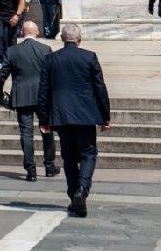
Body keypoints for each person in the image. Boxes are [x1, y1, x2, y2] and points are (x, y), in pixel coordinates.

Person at [38, 22, 111, 218]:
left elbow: (43, 92)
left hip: (61, 116)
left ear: (62, 38)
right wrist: (105, 116)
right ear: (79, 39)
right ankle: (82, 190)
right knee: (88, 153)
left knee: (69, 157)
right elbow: (100, 88)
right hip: (86, 115)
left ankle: (74, 195)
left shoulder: (50, 59)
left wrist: (43, 119)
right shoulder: (89, 57)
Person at [0, 20, 56, 181]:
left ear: (22, 33)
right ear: (37, 33)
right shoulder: (46, 50)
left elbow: (2, 75)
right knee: (46, 130)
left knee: (26, 133)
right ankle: (49, 166)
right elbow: (52, 76)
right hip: (42, 96)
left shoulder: (13, 51)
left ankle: (31, 169)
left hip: (22, 96)